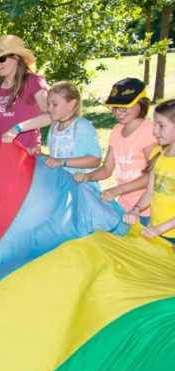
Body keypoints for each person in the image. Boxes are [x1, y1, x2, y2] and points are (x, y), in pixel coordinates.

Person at [74, 78, 157, 220]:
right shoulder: (117, 130)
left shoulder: (149, 131)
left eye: (123, 107)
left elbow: (153, 175)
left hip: (147, 209)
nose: (118, 112)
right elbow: (107, 168)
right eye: (114, 107)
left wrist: (117, 190)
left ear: (141, 103)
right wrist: (88, 176)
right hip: (124, 207)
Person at [0, 35, 49, 150]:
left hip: (27, 154)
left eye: (1, 58)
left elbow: (49, 114)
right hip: (2, 154)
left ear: (17, 58)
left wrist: (18, 128)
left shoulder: (34, 82)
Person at [122, 99, 175, 249]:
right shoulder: (157, 154)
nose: (155, 131)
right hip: (156, 231)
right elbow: (150, 192)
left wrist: (161, 229)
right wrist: (136, 210)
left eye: (161, 125)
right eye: (154, 125)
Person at [35, 82, 103, 191]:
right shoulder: (54, 128)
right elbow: (56, 159)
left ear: (71, 104)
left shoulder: (81, 126)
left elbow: (95, 160)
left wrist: (62, 162)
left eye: (55, 104)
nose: (49, 109)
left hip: (82, 189)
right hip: (62, 188)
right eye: (48, 104)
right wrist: (40, 155)